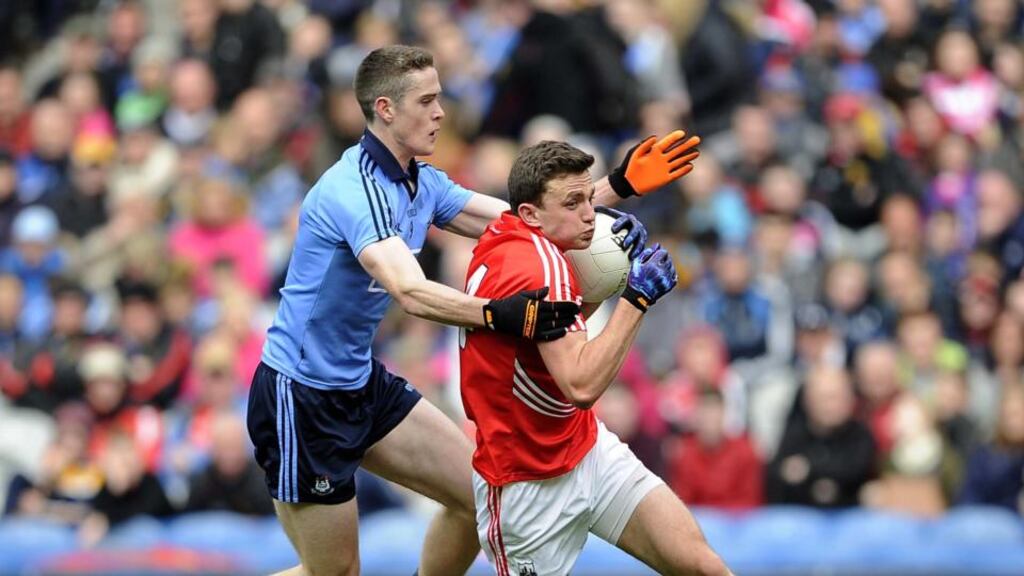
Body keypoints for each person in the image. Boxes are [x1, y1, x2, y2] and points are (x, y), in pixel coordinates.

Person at [247, 44, 701, 576]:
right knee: (334, 573)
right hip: (302, 397)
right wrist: (502, 313)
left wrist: (614, 187)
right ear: (387, 110)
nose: (442, 112)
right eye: (428, 100)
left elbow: (524, 221)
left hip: (358, 382)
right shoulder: (354, 192)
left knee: (478, 495)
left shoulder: (423, 181)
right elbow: (410, 292)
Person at [459, 140, 729, 576]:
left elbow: (559, 332)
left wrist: (605, 272)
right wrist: (635, 297)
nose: (591, 213)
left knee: (700, 565)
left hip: (584, 448)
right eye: (574, 203)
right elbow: (581, 385)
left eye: (589, 198)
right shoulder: (535, 268)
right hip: (526, 485)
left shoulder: (510, 234)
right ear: (531, 214)